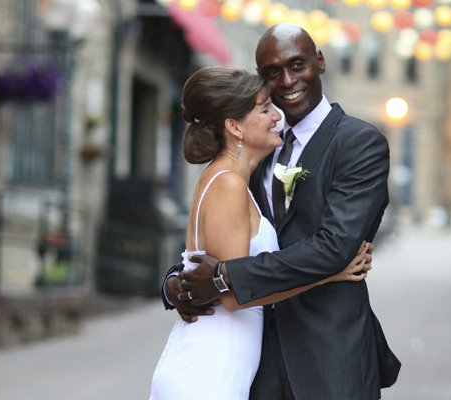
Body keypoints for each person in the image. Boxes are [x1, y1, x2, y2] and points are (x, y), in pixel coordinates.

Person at [163, 24, 400, 400]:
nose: (287, 80)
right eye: (272, 73)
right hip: (259, 361)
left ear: (319, 62)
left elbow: (334, 247)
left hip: (328, 353)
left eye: (297, 65)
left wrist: (224, 279)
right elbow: (223, 231)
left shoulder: (359, 143)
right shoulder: (258, 146)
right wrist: (178, 280)